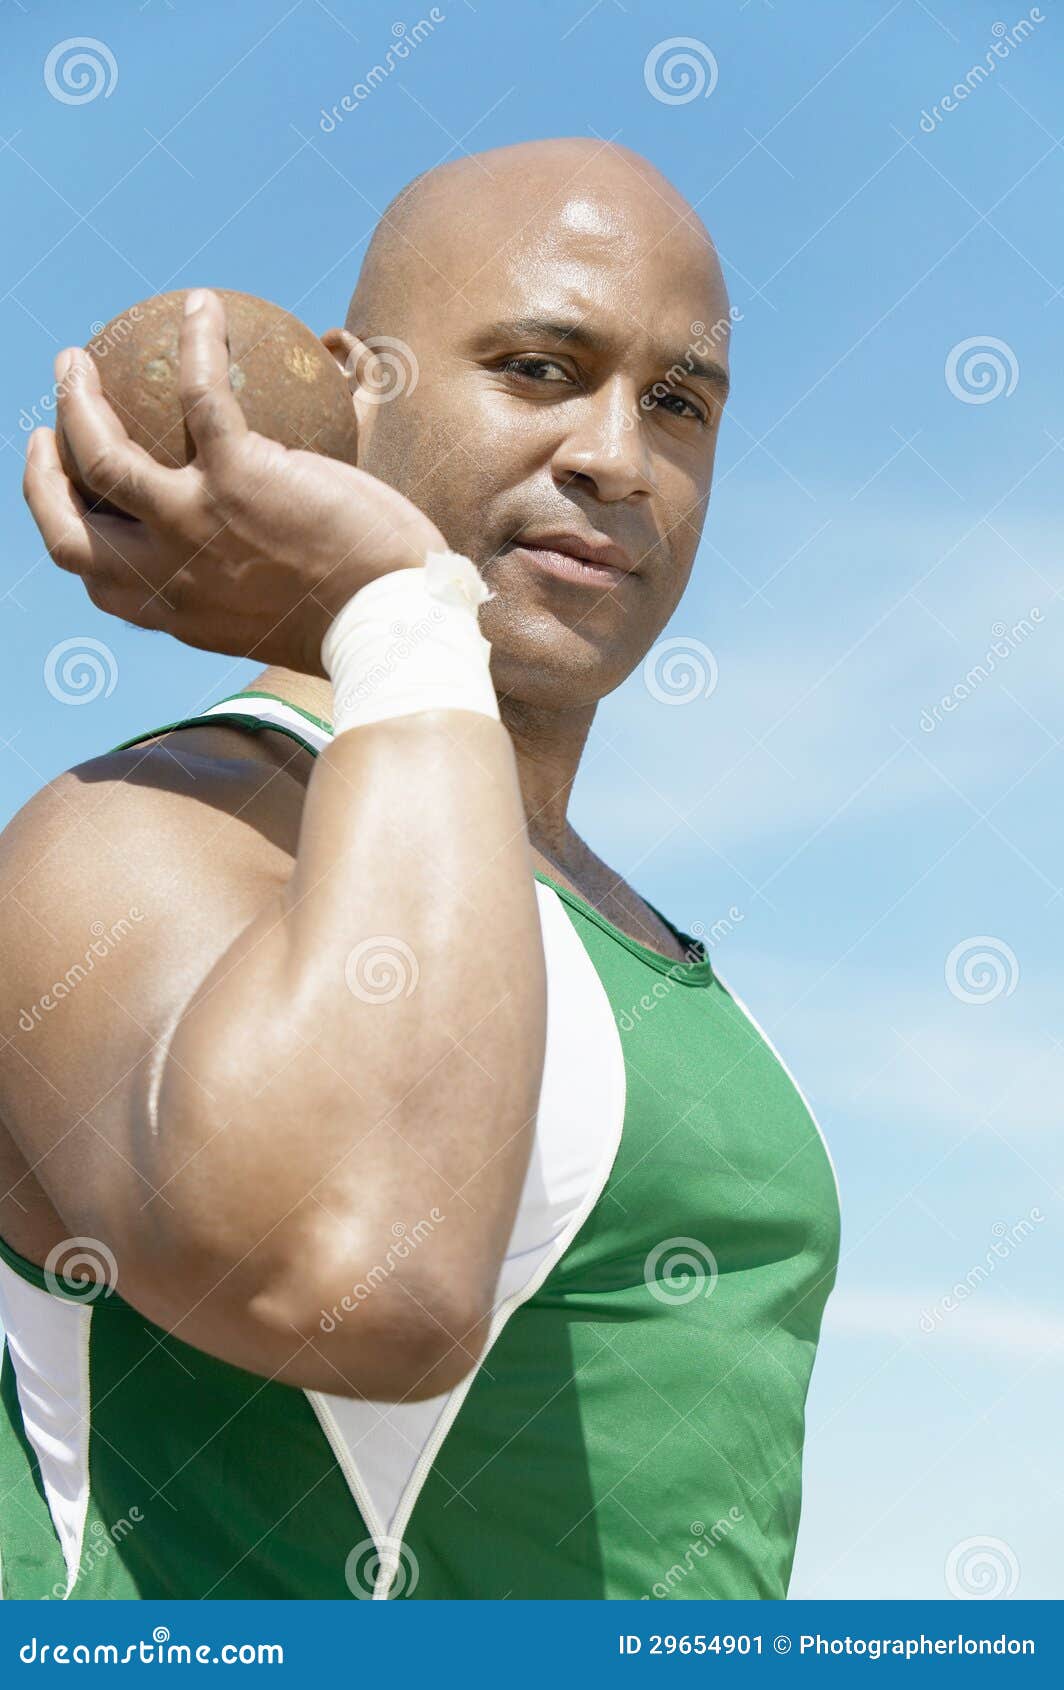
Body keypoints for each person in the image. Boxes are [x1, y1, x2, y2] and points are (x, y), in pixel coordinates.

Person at [1, 138, 840, 1600]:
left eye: (679, 403)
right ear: (349, 393)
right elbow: (354, 1271)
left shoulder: (654, 950)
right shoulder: (141, 827)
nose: (613, 457)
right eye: (534, 367)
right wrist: (395, 613)